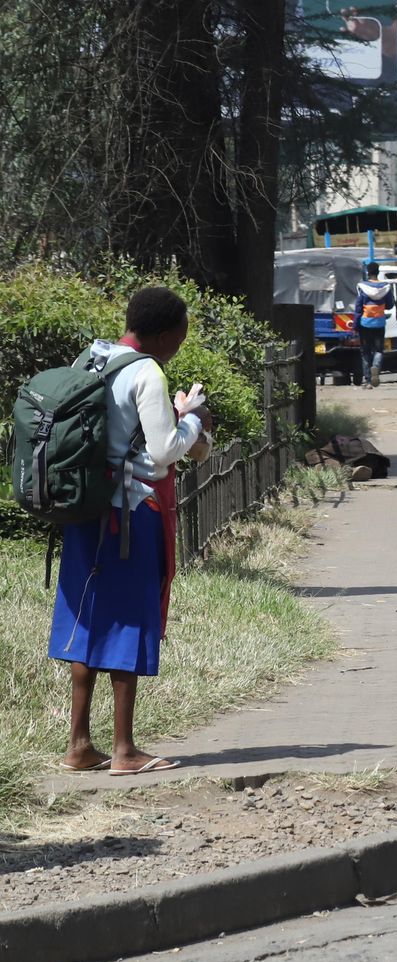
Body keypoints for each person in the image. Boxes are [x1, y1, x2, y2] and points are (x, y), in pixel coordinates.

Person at [48, 286, 212, 775]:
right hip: (130, 515)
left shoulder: (92, 357)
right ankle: (124, 750)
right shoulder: (148, 372)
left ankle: (79, 745)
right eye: (179, 338)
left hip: (85, 508)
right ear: (162, 335)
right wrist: (192, 421)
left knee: (88, 618)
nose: (178, 347)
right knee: (127, 622)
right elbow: (163, 451)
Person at [353, 260, 394, 387]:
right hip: (379, 323)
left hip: (365, 323)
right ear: (378, 272)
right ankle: (375, 366)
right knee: (379, 350)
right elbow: (390, 305)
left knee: (365, 352)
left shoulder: (362, 287)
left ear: (368, 272)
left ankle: (368, 381)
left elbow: (358, 309)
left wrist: (355, 325)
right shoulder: (385, 287)